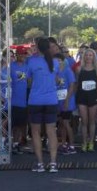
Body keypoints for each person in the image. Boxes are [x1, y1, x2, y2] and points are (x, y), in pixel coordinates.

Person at [27, 37, 60, 173]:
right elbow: (56, 79)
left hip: (35, 100)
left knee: (36, 133)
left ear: (37, 48)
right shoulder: (55, 62)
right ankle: (53, 163)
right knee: (51, 132)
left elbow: (29, 81)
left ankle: (40, 163)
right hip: (51, 100)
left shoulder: (32, 62)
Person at [75, 48, 97, 152]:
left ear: (94, 57)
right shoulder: (79, 69)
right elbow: (76, 85)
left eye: (90, 55)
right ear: (84, 57)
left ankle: (91, 142)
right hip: (82, 97)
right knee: (84, 121)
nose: (88, 57)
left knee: (92, 121)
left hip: (93, 97)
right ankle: (84, 142)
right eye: (86, 55)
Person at [56, 52, 77, 155]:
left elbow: (72, 86)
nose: (57, 62)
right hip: (58, 101)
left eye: (59, 60)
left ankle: (72, 145)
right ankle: (63, 144)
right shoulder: (54, 72)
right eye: (55, 61)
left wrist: (67, 100)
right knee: (61, 123)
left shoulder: (67, 71)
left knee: (66, 123)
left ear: (63, 61)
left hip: (67, 101)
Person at [10, 47, 29, 154]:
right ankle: (13, 143)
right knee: (14, 125)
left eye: (24, 54)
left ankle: (19, 142)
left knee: (23, 124)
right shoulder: (11, 66)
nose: (23, 56)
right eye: (21, 54)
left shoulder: (27, 67)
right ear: (17, 55)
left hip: (24, 99)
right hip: (13, 99)